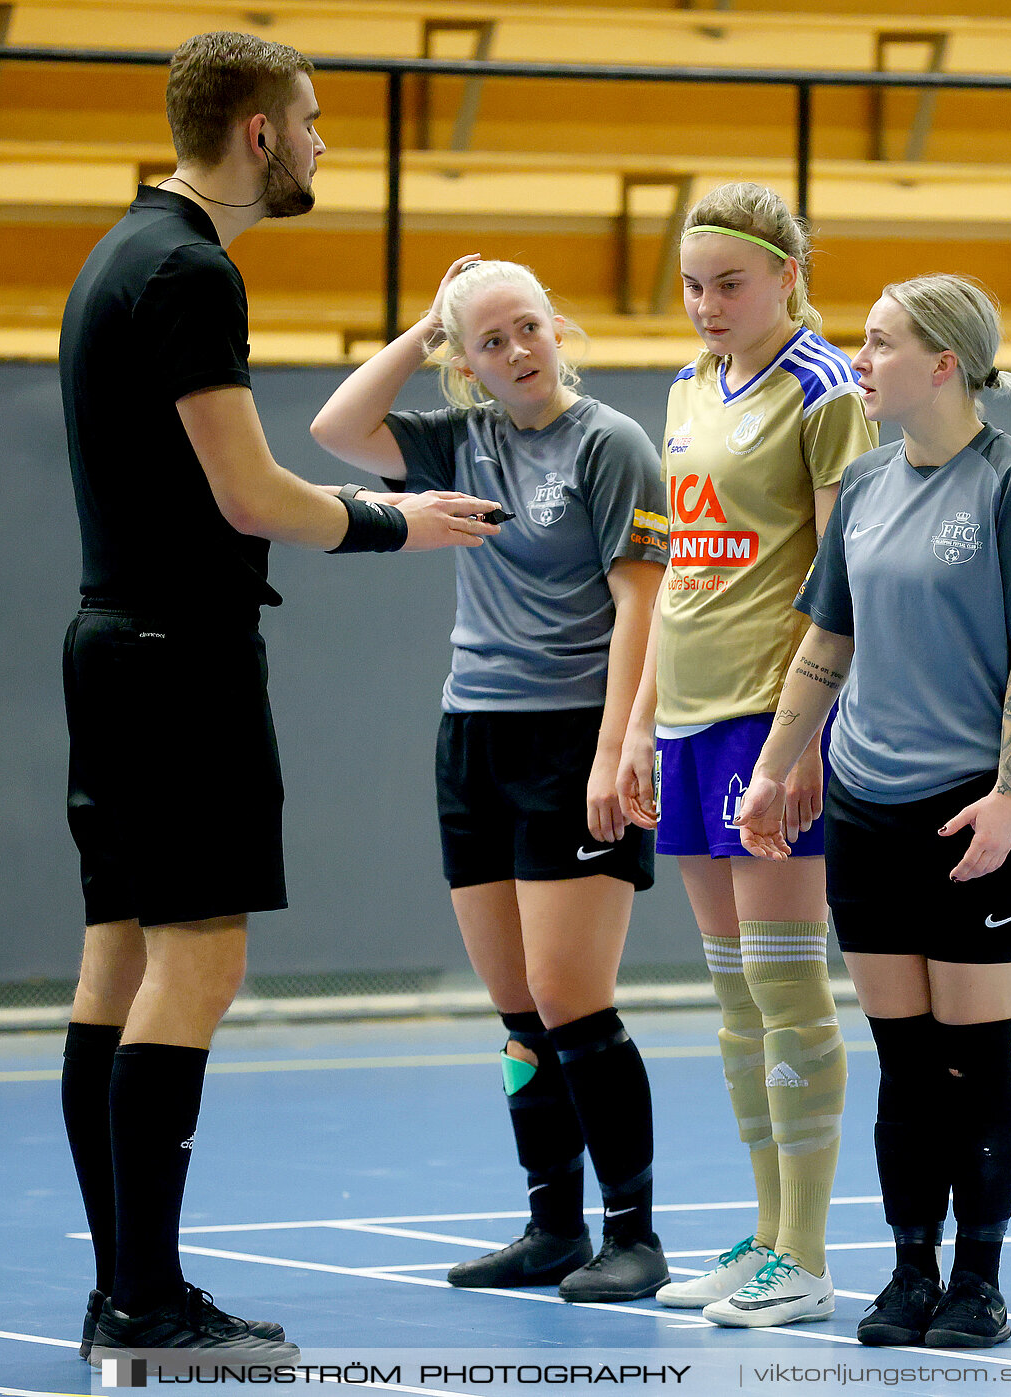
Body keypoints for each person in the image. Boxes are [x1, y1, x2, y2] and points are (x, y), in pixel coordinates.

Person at [58, 32, 503, 1367]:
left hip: (109, 644)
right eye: (310, 122)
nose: (321, 143)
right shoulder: (192, 270)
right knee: (200, 961)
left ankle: (126, 1288)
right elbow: (249, 493)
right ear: (256, 133)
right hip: (179, 655)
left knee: (117, 965)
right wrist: (392, 521)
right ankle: (143, 1299)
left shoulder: (116, 254)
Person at [310, 255, 672, 1301]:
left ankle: (634, 1230)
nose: (516, 353)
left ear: (559, 327)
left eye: (528, 328)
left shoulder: (610, 444)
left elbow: (640, 608)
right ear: (464, 362)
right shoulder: (457, 437)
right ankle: (552, 1222)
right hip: (473, 734)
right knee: (517, 1005)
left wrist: (616, 749)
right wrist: (427, 322)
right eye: (490, 341)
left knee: (572, 999)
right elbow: (337, 429)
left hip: (573, 737)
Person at [734, 274, 1011, 1349]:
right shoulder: (868, 481)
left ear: (943, 363)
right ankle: (909, 1270)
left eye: (878, 344)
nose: (858, 359)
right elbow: (826, 642)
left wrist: (1009, 799)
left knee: (976, 1058)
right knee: (904, 1053)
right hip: (868, 804)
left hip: (975, 806)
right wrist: (777, 767)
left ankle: (979, 1278)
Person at [615, 182, 876, 1328]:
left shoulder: (823, 391)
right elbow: (679, 572)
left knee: (787, 986)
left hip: (772, 726)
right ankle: (765, 1233)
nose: (706, 303)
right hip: (690, 722)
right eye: (691, 283)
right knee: (732, 1000)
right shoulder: (683, 389)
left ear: (786, 276)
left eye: (728, 282)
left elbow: (841, 572)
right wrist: (636, 725)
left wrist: (804, 734)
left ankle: (809, 1255)